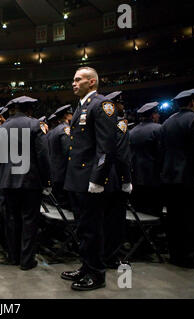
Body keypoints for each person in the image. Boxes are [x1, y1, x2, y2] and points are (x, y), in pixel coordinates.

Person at [0, 96, 52, 271]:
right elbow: (43, 156)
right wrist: (48, 181)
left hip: (7, 182)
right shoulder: (35, 125)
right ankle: (26, 260)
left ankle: (13, 256)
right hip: (30, 182)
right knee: (29, 221)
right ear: (29, 109)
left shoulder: (2, 128)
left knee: (11, 220)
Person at [61, 67, 118, 291]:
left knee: (93, 229)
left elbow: (106, 147)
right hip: (77, 178)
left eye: (78, 80)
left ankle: (97, 274)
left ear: (92, 82)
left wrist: (98, 178)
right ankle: (86, 266)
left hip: (90, 179)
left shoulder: (102, 105)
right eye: (73, 80)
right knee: (83, 228)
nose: (73, 83)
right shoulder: (83, 106)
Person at [160, 88, 194, 268]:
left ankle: (174, 254)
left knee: (173, 218)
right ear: (192, 102)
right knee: (190, 218)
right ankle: (190, 257)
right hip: (187, 176)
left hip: (169, 176)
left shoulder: (167, 122)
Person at [102, 91, 132, 268]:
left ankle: (102, 253)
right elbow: (122, 155)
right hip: (114, 179)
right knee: (114, 221)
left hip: (98, 177)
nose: (123, 107)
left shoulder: (100, 124)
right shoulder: (120, 125)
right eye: (120, 103)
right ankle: (112, 257)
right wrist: (126, 179)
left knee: (101, 220)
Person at [129, 102, 163, 217]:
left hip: (136, 178)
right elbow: (162, 153)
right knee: (155, 212)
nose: (158, 116)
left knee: (140, 212)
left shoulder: (131, 132)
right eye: (157, 113)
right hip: (154, 177)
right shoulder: (158, 129)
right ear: (153, 115)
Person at [46, 104, 73, 209]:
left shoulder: (53, 131)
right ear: (66, 115)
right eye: (70, 113)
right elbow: (68, 151)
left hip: (55, 171)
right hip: (64, 172)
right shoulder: (65, 129)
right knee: (66, 205)